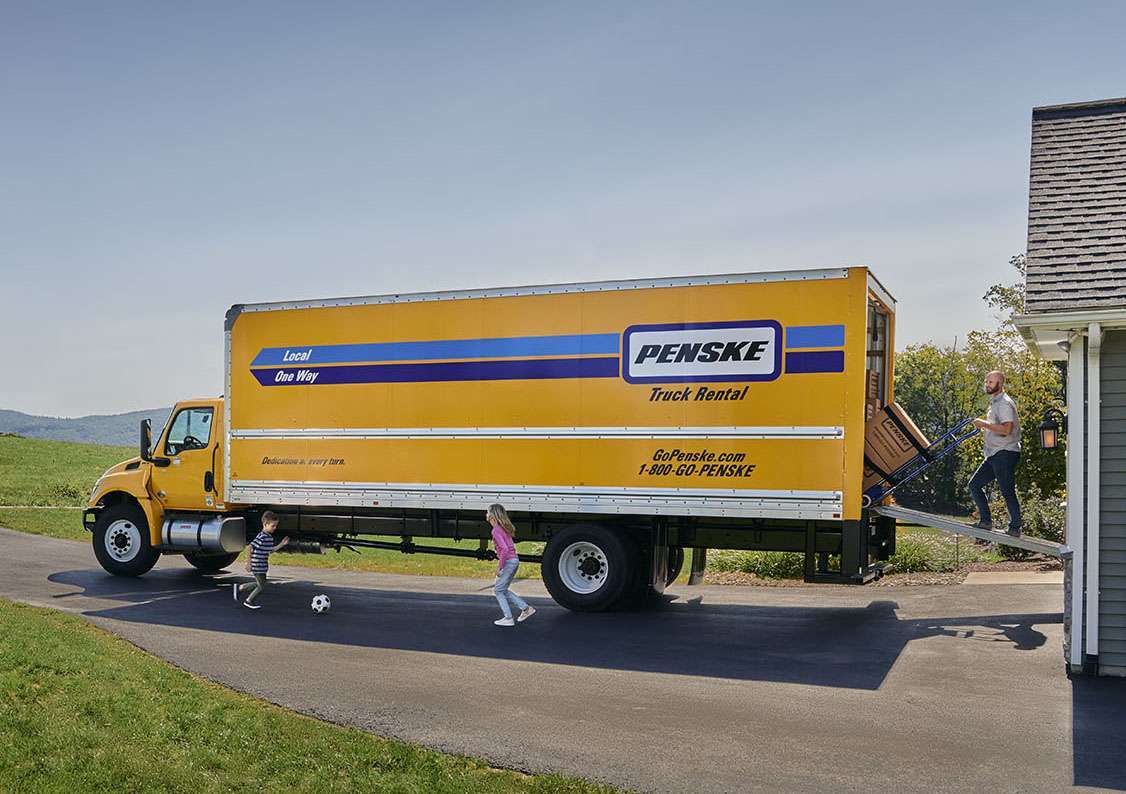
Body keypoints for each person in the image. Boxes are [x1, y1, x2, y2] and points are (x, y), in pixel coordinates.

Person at [969, 370, 1022, 537]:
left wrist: (984, 424)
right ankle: (985, 521)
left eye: (991, 382)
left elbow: (1007, 429)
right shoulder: (994, 402)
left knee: (1007, 491)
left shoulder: (1004, 403)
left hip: (1005, 452)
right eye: (987, 381)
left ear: (1000, 384)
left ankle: (1015, 527)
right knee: (974, 484)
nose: (987, 384)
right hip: (994, 454)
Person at [487, 503, 535, 627]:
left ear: (493, 515)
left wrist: (500, 567)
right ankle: (526, 609)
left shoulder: (496, 530)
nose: (486, 515)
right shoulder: (504, 528)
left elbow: (504, 550)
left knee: (498, 590)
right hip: (514, 561)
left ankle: (508, 618)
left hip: (508, 562)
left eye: (487, 512)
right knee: (502, 589)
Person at [234, 510, 290, 609]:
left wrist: (282, 544)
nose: (275, 528)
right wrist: (248, 563)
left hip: (263, 566)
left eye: (276, 526)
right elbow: (250, 547)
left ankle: (241, 588)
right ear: (265, 524)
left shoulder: (269, 537)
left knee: (261, 584)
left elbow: (271, 550)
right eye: (273, 526)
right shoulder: (262, 536)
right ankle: (249, 601)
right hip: (257, 565)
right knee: (261, 586)